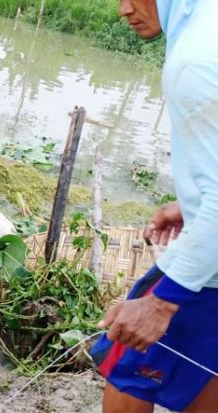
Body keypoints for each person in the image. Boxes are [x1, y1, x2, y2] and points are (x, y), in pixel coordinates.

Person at [90, 1, 218, 412]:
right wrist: (192, 202)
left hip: (208, 276)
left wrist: (162, 301)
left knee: (127, 369)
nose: (123, 9)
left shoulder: (195, 62)